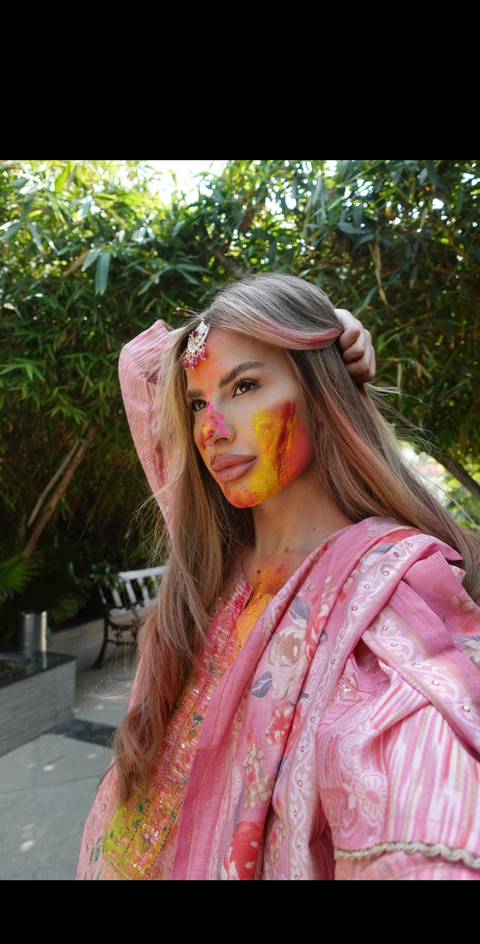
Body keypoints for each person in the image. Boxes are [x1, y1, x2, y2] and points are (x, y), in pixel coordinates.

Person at [76, 272, 480, 880]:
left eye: (245, 385)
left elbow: (412, 781)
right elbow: (140, 368)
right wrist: (318, 328)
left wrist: (322, 340)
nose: (211, 430)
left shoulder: (383, 591)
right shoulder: (213, 564)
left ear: (320, 392)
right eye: (198, 403)